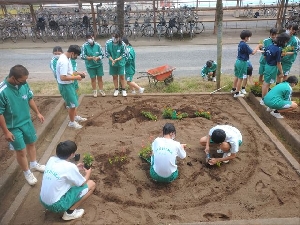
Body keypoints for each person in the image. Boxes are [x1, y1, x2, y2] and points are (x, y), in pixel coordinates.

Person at [0, 65, 45, 186]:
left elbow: (29, 98)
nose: (25, 82)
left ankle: (34, 164)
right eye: (22, 80)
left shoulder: (24, 85)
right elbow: (0, 113)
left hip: (26, 121)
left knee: (31, 143)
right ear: (13, 78)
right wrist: (6, 132)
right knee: (20, 151)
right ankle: (27, 172)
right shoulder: (2, 91)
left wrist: (38, 113)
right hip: (13, 126)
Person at [40, 140, 96, 221]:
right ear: (71, 154)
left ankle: (64, 207)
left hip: (43, 200)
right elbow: (82, 183)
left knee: (68, 182)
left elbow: (62, 172)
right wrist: (88, 173)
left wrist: (76, 168)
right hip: (56, 205)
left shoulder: (51, 159)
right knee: (91, 184)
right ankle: (70, 213)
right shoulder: (70, 167)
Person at [56, 45, 87, 129]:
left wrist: (79, 73)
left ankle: (75, 116)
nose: (76, 57)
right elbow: (63, 77)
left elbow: (69, 72)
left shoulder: (67, 58)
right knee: (72, 105)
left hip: (69, 84)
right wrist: (76, 78)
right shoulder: (64, 61)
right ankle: (72, 122)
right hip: (65, 86)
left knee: (74, 102)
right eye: (76, 55)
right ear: (72, 53)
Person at [260, 32, 291, 105]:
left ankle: (265, 98)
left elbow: (264, 56)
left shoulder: (270, 46)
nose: (286, 43)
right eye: (286, 41)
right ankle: (263, 99)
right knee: (267, 84)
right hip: (272, 68)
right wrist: (281, 72)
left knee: (266, 83)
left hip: (267, 66)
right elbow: (278, 63)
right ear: (283, 41)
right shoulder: (278, 50)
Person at [231, 30, 260, 97]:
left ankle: (233, 89)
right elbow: (252, 52)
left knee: (236, 76)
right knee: (241, 78)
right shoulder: (245, 45)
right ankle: (237, 93)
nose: (249, 38)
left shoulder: (240, 43)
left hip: (238, 61)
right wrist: (258, 46)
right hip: (242, 63)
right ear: (246, 37)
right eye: (249, 37)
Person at [81, 33, 106, 98]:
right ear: (86, 39)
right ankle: (95, 90)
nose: (90, 39)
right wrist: (91, 58)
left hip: (98, 65)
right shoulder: (84, 46)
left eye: (91, 37)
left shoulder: (98, 45)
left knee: (100, 78)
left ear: (93, 37)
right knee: (93, 79)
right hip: (90, 66)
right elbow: (83, 56)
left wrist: (98, 58)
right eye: (88, 38)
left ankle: (101, 90)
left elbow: (102, 55)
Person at [105, 31, 128, 97]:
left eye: (116, 37)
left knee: (122, 76)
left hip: (120, 62)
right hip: (112, 62)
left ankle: (123, 90)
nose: (114, 38)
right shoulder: (108, 43)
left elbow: (124, 53)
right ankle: (116, 89)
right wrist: (112, 60)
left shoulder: (122, 44)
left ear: (119, 38)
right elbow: (107, 53)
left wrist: (117, 59)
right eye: (113, 37)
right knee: (114, 76)